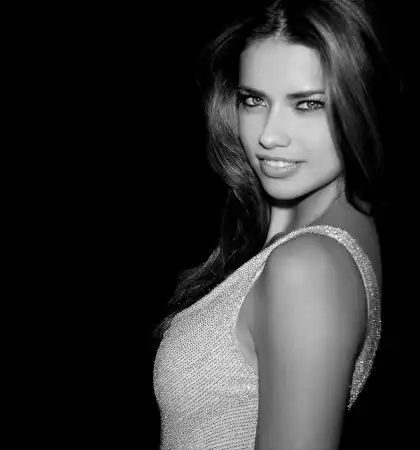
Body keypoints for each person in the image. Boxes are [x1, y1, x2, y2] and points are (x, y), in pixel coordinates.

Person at [152, 0, 398, 448]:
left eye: (308, 104)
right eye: (254, 100)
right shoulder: (302, 243)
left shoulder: (309, 266)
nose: (268, 134)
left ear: (362, 103)